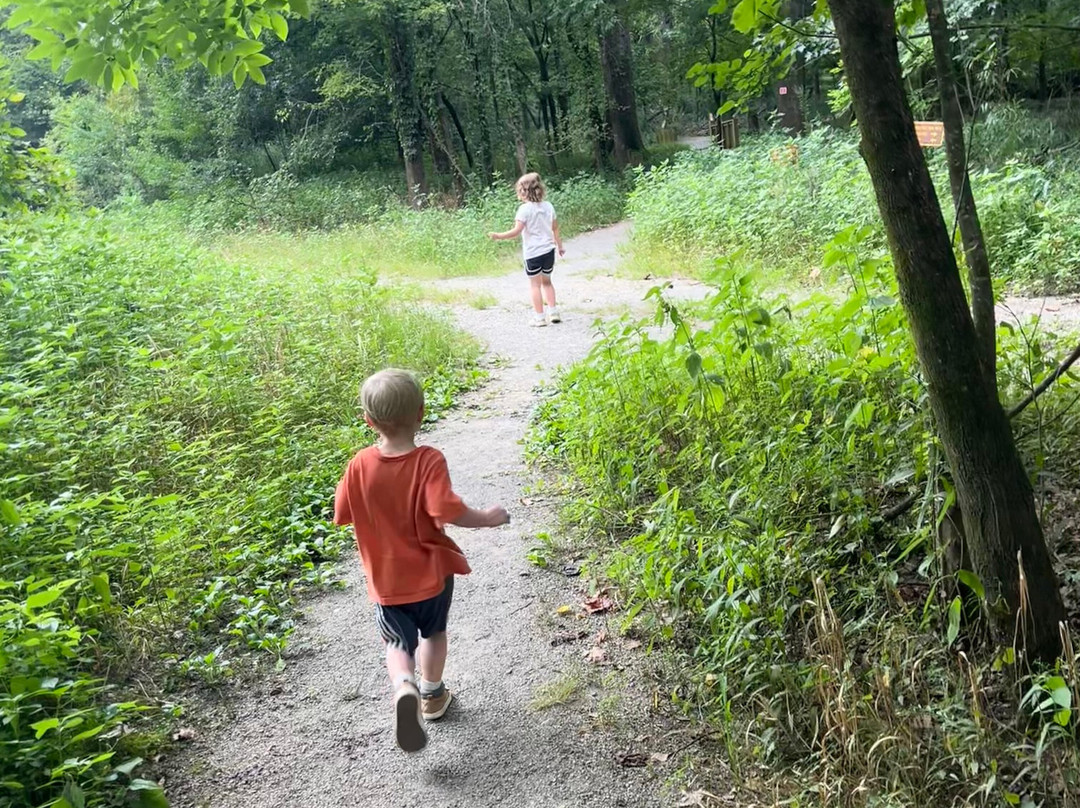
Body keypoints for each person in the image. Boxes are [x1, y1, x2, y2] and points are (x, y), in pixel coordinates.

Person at [333, 368, 510, 753]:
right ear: (421, 413)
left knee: (398, 641)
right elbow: (445, 509)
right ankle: (432, 694)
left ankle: (404, 688)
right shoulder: (428, 460)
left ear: (369, 421)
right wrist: (485, 517)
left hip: (386, 581)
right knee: (433, 633)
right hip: (431, 576)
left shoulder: (358, 464)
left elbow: (342, 512)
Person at [488, 172, 565, 327]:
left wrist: (499, 236)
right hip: (549, 251)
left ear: (523, 192)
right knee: (547, 282)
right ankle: (553, 312)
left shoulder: (524, 210)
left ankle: (539, 317)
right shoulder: (548, 206)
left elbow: (516, 231)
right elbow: (555, 228)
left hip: (532, 253)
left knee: (535, 285)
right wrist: (560, 246)